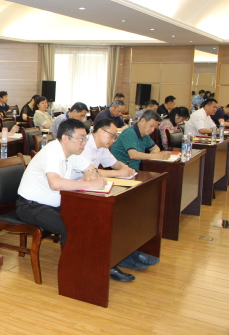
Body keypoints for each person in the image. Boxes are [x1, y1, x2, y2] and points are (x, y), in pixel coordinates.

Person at [17, 120, 135, 281]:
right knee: (72, 227)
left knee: (93, 218)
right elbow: (55, 183)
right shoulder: (52, 152)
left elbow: (92, 170)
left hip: (56, 204)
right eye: (81, 139)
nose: (84, 143)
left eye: (85, 138)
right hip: (31, 206)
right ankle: (73, 275)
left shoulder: (74, 153)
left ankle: (103, 264)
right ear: (66, 138)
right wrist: (88, 183)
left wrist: (90, 175)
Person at [72, 118, 160, 274]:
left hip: (92, 189)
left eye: (115, 137)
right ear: (101, 131)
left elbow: (114, 163)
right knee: (113, 214)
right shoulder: (84, 146)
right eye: (112, 136)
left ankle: (127, 252)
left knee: (125, 210)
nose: (113, 140)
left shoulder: (102, 147)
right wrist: (118, 173)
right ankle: (117, 258)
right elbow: (91, 171)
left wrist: (126, 169)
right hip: (77, 193)